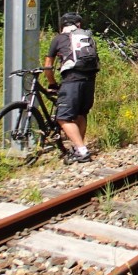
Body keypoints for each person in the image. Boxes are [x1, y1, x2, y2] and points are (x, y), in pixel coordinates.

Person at [44, 12, 98, 164]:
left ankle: (82, 151)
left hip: (72, 80)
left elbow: (48, 67)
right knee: (81, 113)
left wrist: (52, 83)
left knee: (63, 117)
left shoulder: (59, 39)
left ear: (62, 25)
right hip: (89, 79)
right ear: (78, 25)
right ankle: (77, 148)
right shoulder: (87, 37)